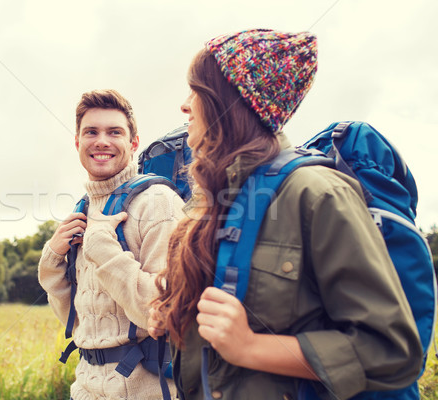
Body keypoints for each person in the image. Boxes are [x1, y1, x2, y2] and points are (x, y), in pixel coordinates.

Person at [147, 29, 423, 399]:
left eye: (196, 91)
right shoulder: (212, 199)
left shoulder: (318, 193)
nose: (185, 105)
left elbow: (392, 351)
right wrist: (172, 315)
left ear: (231, 103)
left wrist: (251, 347)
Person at [39, 89, 184, 399]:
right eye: (91, 132)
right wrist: (52, 260)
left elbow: (161, 312)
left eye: (114, 132)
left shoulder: (158, 203)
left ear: (133, 143)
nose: (101, 141)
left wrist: (102, 250)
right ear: (77, 142)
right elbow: (77, 321)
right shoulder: (81, 210)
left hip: (146, 390)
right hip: (85, 388)